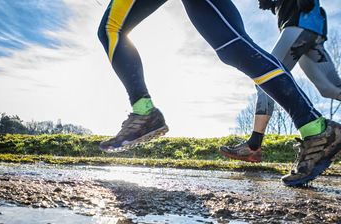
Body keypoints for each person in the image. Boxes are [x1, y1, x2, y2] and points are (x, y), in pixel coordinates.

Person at [97, 0, 341, 186]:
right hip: (309, 27)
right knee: (234, 48)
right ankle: (316, 130)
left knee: (111, 28)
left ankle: (144, 112)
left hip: (303, 23)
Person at [219, 0, 341, 163]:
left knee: (265, 78)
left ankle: (253, 147)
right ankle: (253, 146)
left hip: (299, 23)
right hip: (313, 30)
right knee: (331, 88)